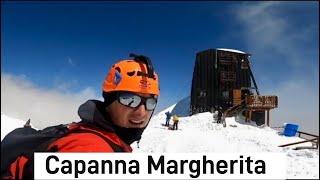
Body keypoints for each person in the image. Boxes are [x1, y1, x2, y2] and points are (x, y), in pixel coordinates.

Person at [2, 54, 160, 179]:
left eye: (150, 102)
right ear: (109, 100)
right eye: (129, 99)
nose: (141, 112)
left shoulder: (97, 132)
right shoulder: (93, 151)